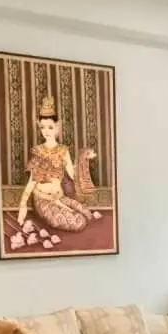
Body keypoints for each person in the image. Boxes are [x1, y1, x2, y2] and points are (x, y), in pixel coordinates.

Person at [17, 95, 101, 232]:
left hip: (59, 196)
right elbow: (32, 182)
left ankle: (65, 206)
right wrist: (23, 206)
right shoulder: (39, 152)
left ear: (57, 127)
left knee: (87, 214)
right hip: (43, 200)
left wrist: (83, 158)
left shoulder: (63, 150)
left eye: (50, 127)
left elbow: (73, 175)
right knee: (78, 223)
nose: (46, 131)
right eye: (42, 127)